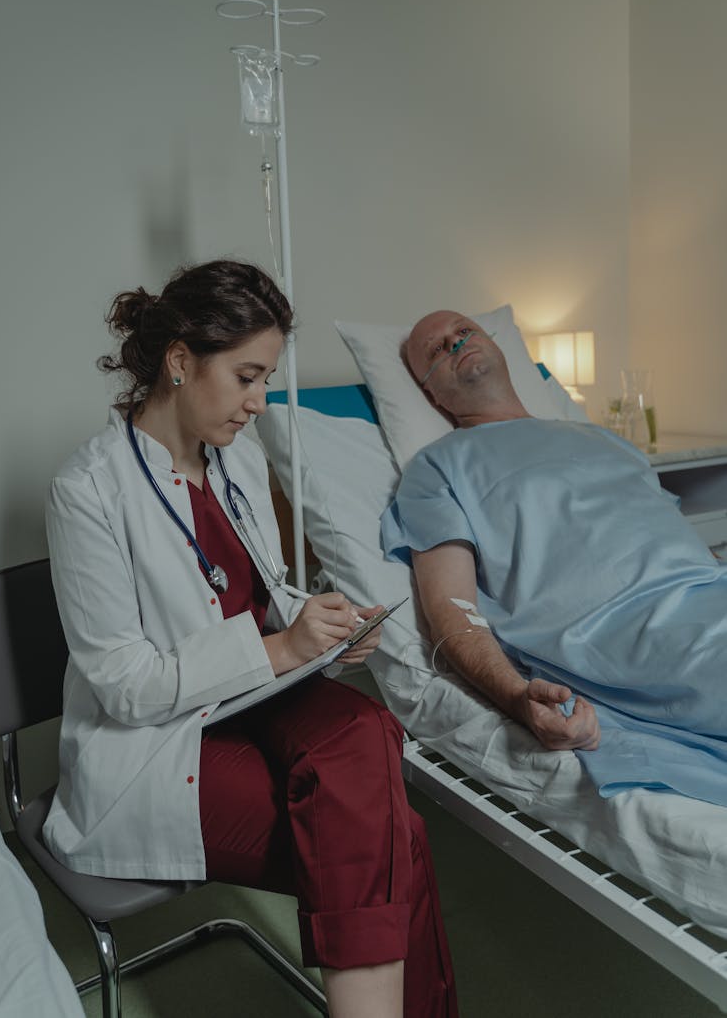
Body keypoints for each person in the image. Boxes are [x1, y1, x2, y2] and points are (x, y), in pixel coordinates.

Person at [44, 262, 458, 1018]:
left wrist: (323, 625)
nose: (258, 401)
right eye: (246, 377)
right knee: (394, 835)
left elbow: (259, 592)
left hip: (256, 696)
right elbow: (125, 685)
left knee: (368, 728)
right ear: (179, 361)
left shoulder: (236, 457)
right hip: (158, 745)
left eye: (264, 378)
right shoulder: (89, 490)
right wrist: (284, 649)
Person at [381, 309, 727, 807]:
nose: (456, 344)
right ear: (430, 394)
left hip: (705, 595)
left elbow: (673, 539)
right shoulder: (437, 467)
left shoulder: (606, 440)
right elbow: (450, 611)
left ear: (497, 348)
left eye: (464, 332)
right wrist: (519, 700)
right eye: (437, 349)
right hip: (625, 632)